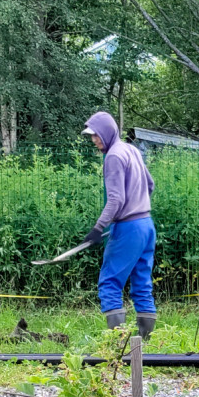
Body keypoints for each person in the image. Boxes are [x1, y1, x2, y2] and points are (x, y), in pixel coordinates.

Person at [81, 111, 157, 340]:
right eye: (91, 136)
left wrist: (98, 228)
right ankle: (145, 342)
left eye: (96, 135)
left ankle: (117, 342)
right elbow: (150, 184)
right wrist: (138, 205)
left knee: (110, 282)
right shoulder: (131, 149)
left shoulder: (113, 156)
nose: (94, 140)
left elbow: (116, 199)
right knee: (141, 281)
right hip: (146, 225)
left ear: (107, 131)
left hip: (128, 227)